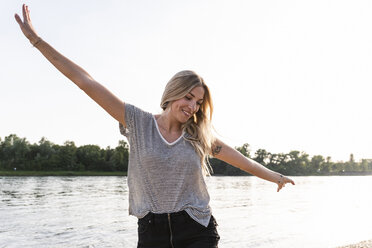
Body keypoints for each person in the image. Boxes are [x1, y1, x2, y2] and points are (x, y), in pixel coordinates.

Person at [15, 4, 295, 248]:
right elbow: (85, 81)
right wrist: (37, 41)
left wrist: (275, 176)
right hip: (151, 232)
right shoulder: (137, 123)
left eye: (198, 102)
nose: (193, 106)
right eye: (188, 97)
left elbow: (241, 160)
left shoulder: (198, 135)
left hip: (197, 229)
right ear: (173, 93)